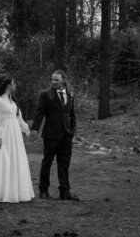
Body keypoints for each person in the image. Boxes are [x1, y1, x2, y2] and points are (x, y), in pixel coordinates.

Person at [29, 69, 79, 201]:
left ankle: (65, 191)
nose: (53, 82)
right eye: (52, 79)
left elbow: (71, 113)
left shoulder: (71, 93)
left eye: (56, 79)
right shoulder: (46, 94)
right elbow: (40, 113)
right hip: (51, 135)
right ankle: (43, 190)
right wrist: (35, 129)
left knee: (64, 163)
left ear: (63, 80)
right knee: (47, 162)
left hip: (66, 135)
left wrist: (73, 129)